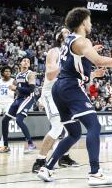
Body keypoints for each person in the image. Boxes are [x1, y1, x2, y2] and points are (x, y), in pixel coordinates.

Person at [37, 7, 112, 185]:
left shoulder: (70, 40)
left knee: (74, 133)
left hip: (58, 89)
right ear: (83, 22)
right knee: (94, 126)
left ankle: (47, 168)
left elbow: (73, 62)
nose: (91, 24)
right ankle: (95, 173)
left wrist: (90, 52)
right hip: (70, 87)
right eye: (89, 20)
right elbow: (99, 61)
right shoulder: (82, 41)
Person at [32, 27, 79, 173]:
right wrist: (65, 65)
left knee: (69, 128)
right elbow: (51, 75)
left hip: (64, 94)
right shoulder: (55, 51)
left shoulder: (72, 54)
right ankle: (39, 161)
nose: (69, 34)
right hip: (50, 93)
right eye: (65, 32)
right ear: (59, 37)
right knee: (58, 126)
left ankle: (63, 157)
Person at [0, 57, 37, 153]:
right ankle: (6, 146)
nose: (26, 62)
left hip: (28, 98)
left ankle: (31, 144)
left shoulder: (30, 74)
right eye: (24, 61)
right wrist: (15, 89)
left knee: (19, 120)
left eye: (28, 61)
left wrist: (16, 88)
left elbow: (31, 90)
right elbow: (16, 87)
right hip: (19, 98)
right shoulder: (18, 75)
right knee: (4, 120)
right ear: (20, 63)